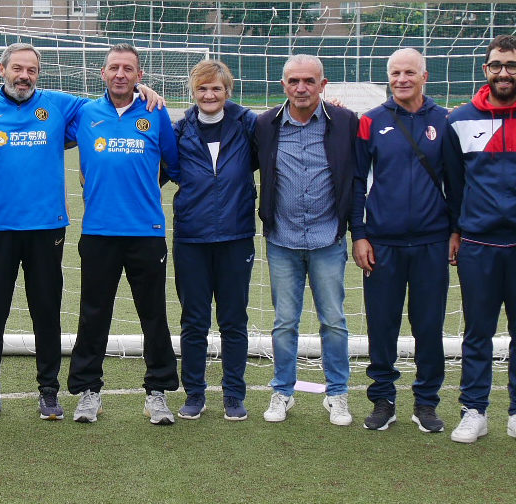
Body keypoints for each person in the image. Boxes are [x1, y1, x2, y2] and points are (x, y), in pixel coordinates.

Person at [0, 43, 164, 421]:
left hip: (47, 227)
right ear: (1, 70)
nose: (24, 76)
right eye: (17, 68)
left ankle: (49, 392)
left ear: (38, 73)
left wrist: (141, 91)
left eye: (31, 70)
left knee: (46, 311)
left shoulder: (63, 105)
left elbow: (113, 101)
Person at [66, 44, 180, 424]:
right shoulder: (84, 113)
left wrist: (141, 191)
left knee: (153, 315)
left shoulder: (155, 111)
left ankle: (158, 393)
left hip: (146, 232)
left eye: (127, 69)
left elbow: (173, 165)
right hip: (98, 231)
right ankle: (88, 392)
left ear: (139, 76)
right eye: (113, 68)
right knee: (94, 314)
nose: (120, 74)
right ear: (102, 73)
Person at [352, 48, 452, 433]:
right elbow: (357, 181)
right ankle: (383, 399)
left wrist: (455, 231)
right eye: (395, 73)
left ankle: (426, 402)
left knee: (428, 325)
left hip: (431, 242)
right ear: (388, 77)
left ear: (425, 76)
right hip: (382, 243)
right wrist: (359, 234)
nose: (402, 79)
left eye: (410, 72)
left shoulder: (446, 120)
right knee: (382, 324)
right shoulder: (371, 121)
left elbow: (456, 184)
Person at [256, 54, 358, 426]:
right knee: (285, 322)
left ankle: (338, 394)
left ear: (323, 84)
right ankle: (282, 391)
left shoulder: (345, 121)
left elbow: (359, 177)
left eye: (309, 81)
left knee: (333, 320)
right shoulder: (265, 123)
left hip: (328, 238)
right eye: (294, 81)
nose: (301, 88)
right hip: (282, 239)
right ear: (283, 85)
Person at [169, 59, 257, 422]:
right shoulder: (178, 129)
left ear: (227, 91)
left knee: (233, 319)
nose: (209, 95)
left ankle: (233, 394)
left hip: (236, 236)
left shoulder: (248, 123)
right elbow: (160, 170)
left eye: (216, 88)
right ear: (193, 92)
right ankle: (194, 393)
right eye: (202, 89)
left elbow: (288, 122)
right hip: (191, 236)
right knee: (194, 320)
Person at [443, 34, 516, 444]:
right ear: (485, 70)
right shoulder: (459, 120)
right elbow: (454, 185)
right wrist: (456, 230)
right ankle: (475, 410)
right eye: (497, 65)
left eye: (511, 65)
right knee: (477, 332)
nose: (504, 72)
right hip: (479, 245)